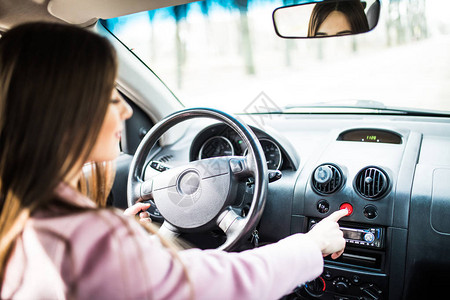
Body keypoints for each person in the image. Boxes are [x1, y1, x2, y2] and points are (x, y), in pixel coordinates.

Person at [0, 22, 347, 299]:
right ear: (62, 115)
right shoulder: (85, 239)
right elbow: (220, 284)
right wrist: (312, 244)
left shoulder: (27, 219)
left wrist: (130, 244)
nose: (124, 110)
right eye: (110, 99)